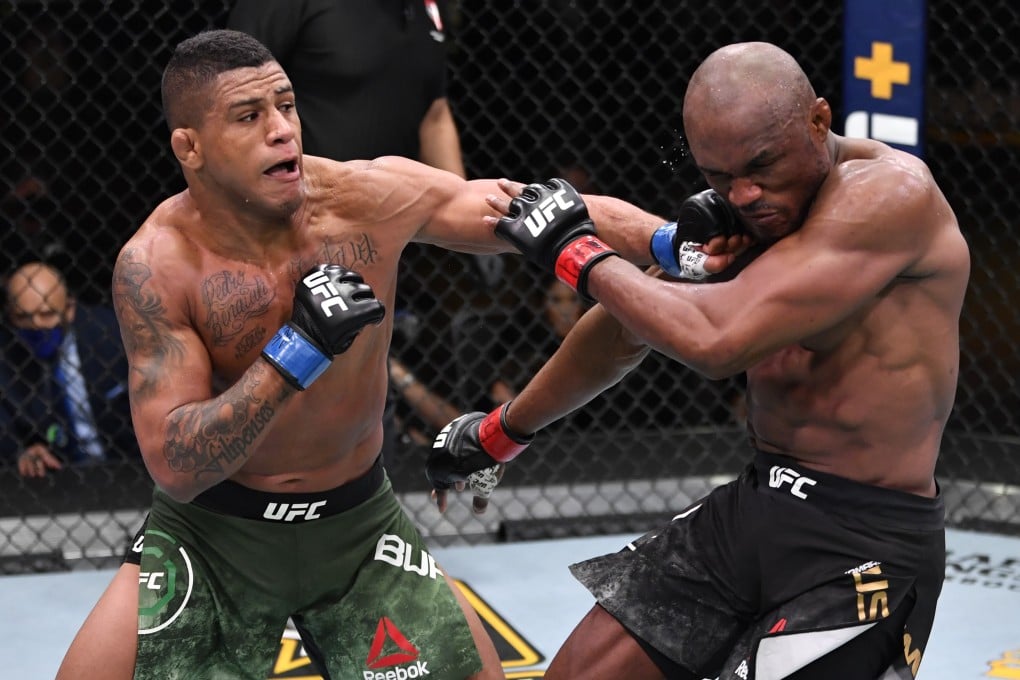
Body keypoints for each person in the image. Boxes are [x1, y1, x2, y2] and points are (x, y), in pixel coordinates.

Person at [55, 29, 697, 679]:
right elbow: (176, 466)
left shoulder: (364, 199)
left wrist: (677, 245)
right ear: (189, 147)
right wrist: (295, 354)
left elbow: (539, 210)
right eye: (249, 116)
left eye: (286, 105)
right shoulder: (158, 264)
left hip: (358, 528)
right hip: (213, 534)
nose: (281, 130)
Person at [427, 41, 969, 679]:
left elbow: (719, 340)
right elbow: (628, 326)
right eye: (718, 176)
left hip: (865, 541)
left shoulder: (890, 196)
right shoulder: (754, 204)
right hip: (759, 504)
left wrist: (577, 253)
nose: (744, 193)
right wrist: (501, 431)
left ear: (819, 121)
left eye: (761, 166)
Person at [1, 261, 135, 477]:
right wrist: (21, 451)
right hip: (58, 476)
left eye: (47, 314)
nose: (36, 325)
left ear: (70, 309)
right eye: (23, 317)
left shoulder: (114, 335)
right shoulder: (8, 356)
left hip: (129, 464)